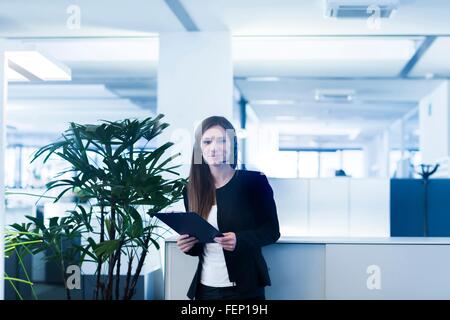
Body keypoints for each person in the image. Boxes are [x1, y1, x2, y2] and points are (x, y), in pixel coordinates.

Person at [176, 115, 280, 300]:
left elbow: (272, 231)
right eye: (207, 142)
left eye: (222, 141)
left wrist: (240, 239)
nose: (214, 148)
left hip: (245, 289)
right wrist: (188, 246)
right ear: (199, 148)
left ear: (232, 146)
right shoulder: (191, 189)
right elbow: (200, 244)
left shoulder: (254, 182)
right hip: (205, 288)